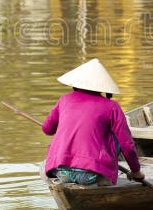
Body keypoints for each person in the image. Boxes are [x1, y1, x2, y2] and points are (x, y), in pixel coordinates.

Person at [42, 58, 143, 186]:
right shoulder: (112, 106)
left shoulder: (64, 100)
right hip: (91, 175)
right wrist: (136, 171)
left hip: (60, 172)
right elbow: (127, 145)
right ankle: (103, 176)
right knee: (117, 137)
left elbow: (47, 129)